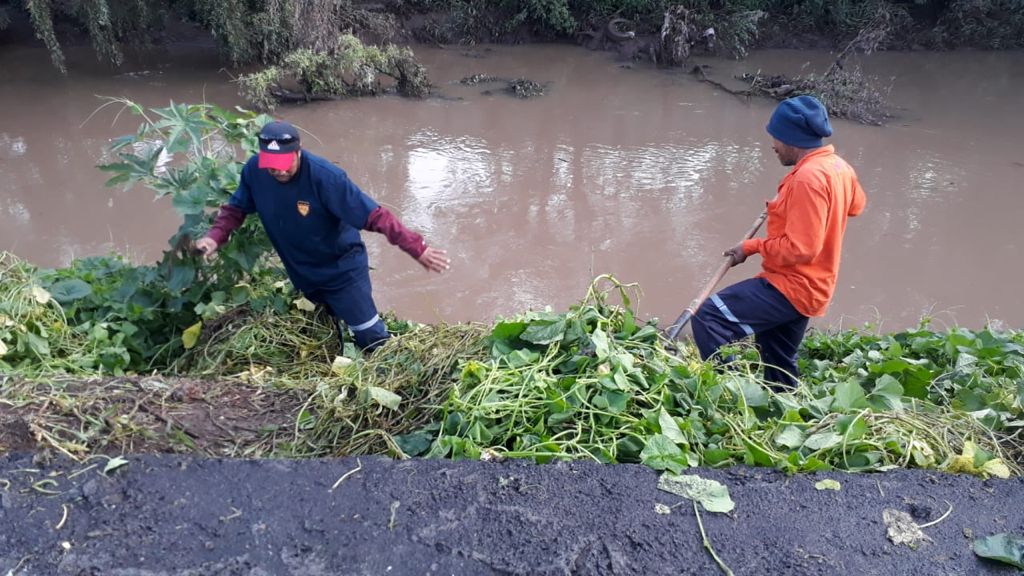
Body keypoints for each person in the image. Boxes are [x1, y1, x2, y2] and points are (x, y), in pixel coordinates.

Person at [194, 120, 450, 353]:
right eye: (272, 166)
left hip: (342, 272)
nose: (278, 172)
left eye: (284, 164)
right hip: (302, 273)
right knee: (326, 331)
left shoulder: (326, 178)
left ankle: (388, 378)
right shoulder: (254, 172)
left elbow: (375, 216)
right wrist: (215, 237)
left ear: (298, 151)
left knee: (371, 336)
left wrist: (417, 248)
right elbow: (236, 209)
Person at [690, 95, 866, 387]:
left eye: (776, 138)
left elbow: (802, 248)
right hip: (815, 287)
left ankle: (733, 393)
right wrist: (789, 206)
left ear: (792, 139)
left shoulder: (807, 179)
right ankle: (781, 406)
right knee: (779, 365)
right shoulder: (838, 167)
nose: (773, 145)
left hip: (791, 286)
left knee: (709, 318)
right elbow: (855, 206)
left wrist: (751, 246)